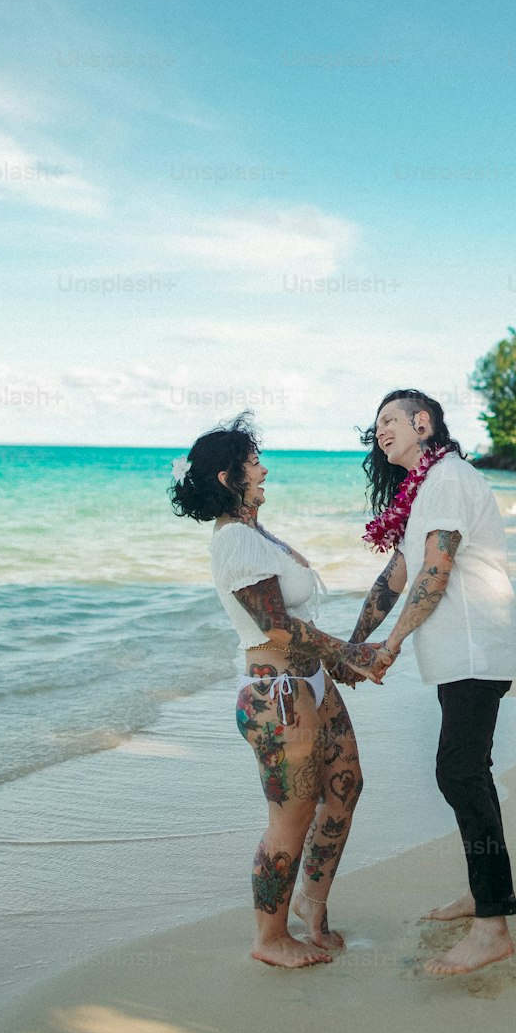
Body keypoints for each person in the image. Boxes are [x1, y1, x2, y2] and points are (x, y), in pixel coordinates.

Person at [170, 414, 383, 970]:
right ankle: (269, 936)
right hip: (277, 695)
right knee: (291, 815)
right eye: (253, 462)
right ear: (227, 478)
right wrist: (349, 652)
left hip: (308, 682)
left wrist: (334, 665)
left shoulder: (256, 533)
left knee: (345, 787)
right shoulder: (235, 540)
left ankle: (312, 910)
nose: (263, 469)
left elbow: (293, 621)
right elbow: (275, 625)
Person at [353, 389, 516, 975]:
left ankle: (493, 925)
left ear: (423, 423)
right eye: (376, 425)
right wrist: (357, 643)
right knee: (470, 771)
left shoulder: (447, 479)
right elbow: (397, 572)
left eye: (390, 420)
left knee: (458, 771)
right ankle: (485, 895)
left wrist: (391, 644)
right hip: (461, 652)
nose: (381, 431)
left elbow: (436, 568)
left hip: (476, 646)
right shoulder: (424, 489)